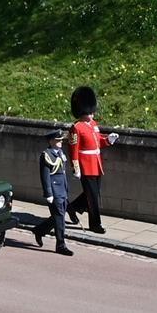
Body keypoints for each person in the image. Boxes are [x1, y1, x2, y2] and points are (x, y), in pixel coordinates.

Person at [67, 86, 118, 234]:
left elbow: (97, 142)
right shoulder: (76, 128)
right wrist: (75, 168)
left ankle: (72, 208)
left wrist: (108, 140)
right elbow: (73, 149)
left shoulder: (93, 125)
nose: (92, 114)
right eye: (90, 111)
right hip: (85, 165)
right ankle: (95, 224)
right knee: (93, 197)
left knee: (93, 193)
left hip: (96, 164)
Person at [33, 129, 74, 256]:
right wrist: (48, 193)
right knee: (60, 217)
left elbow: (62, 174)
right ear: (51, 141)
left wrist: (66, 190)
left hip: (62, 190)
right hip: (54, 191)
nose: (60, 142)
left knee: (58, 216)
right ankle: (61, 245)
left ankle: (39, 230)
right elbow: (45, 176)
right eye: (58, 140)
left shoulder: (60, 152)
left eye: (61, 140)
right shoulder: (46, 155)